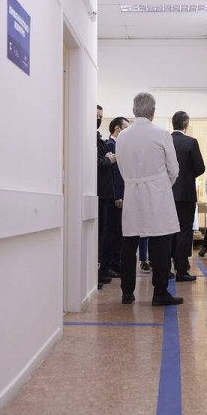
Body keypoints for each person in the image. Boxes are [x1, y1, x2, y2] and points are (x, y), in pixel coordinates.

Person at [115, 93, 183, 306]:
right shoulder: (161, 133)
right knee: (160, 242)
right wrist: (161, 184)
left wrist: (133, 181)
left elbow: (121, 167)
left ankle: (127, 292)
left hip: (132, 192)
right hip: (157, 193)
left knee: (129, 243)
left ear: (134, 111)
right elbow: (174, 169)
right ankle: (160, 293)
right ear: (153, 112)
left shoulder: (122, 136)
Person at [169, 111, 206, 282]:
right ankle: (181, 269)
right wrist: (187, 175)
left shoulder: (165, 140)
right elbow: (200, 167)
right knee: (184, 230)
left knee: (168, 230)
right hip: (186, 193)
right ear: (186, 125)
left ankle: (166, 269)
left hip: (167, 192)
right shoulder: (191, 142)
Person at [105, 117, 130, 273]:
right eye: (125, 127)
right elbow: (114, 173)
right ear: (117, 128)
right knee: (114, 231)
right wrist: (117, 195)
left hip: (122, 192)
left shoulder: (119, 145)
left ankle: (117, 262)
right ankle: (112, 264)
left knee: (119, 230)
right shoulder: (110, 145)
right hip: (116, 194)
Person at [96, 105, 117, 286]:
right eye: (96, 116)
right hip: (99, 192)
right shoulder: (91, 140)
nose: (98, 119)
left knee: (106, 233)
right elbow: (94, 162)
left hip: (106, 192)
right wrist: (108, 159)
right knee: (101, 234)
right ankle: (99, 271)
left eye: (101, 117)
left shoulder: (98, 139)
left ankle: (103, 269)